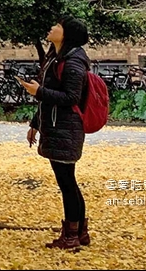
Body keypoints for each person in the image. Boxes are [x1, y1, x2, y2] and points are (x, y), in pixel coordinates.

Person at [18, 16, 91, 251]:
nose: (51, 28)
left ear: (66, 34)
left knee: (67, 182)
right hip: (55, 126)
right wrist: (35, 123)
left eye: (57, 26)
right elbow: (49, 96)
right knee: (68, 181)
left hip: (66, 128)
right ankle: (79, 233)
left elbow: (71, 98)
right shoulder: (56, 57)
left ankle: (72, 237)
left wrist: (39, 91)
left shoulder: (73, 62)